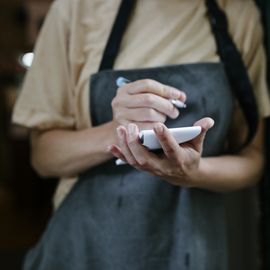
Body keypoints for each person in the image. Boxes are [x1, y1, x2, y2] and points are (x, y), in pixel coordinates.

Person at [12, 0, 270, 269]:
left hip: (192, 250)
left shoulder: (237, 13)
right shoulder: (77, 8)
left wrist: (193, 172)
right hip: (87, 249)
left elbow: (253, 158)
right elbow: (43, 157)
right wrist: (116, 132)